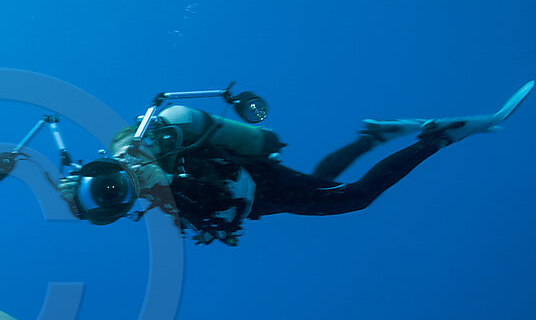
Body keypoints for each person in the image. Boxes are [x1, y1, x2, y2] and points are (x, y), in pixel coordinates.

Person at [59, 82, 534, 245]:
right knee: (322, 180)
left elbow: (191, 176)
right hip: (253, 202)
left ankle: (438, 139)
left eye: (109, 187)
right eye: (111, 204)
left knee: (355, 198)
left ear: (106, 170)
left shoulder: (146, 151)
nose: (119, 193)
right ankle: (371, 136)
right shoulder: (144, 184)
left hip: (254, 184)